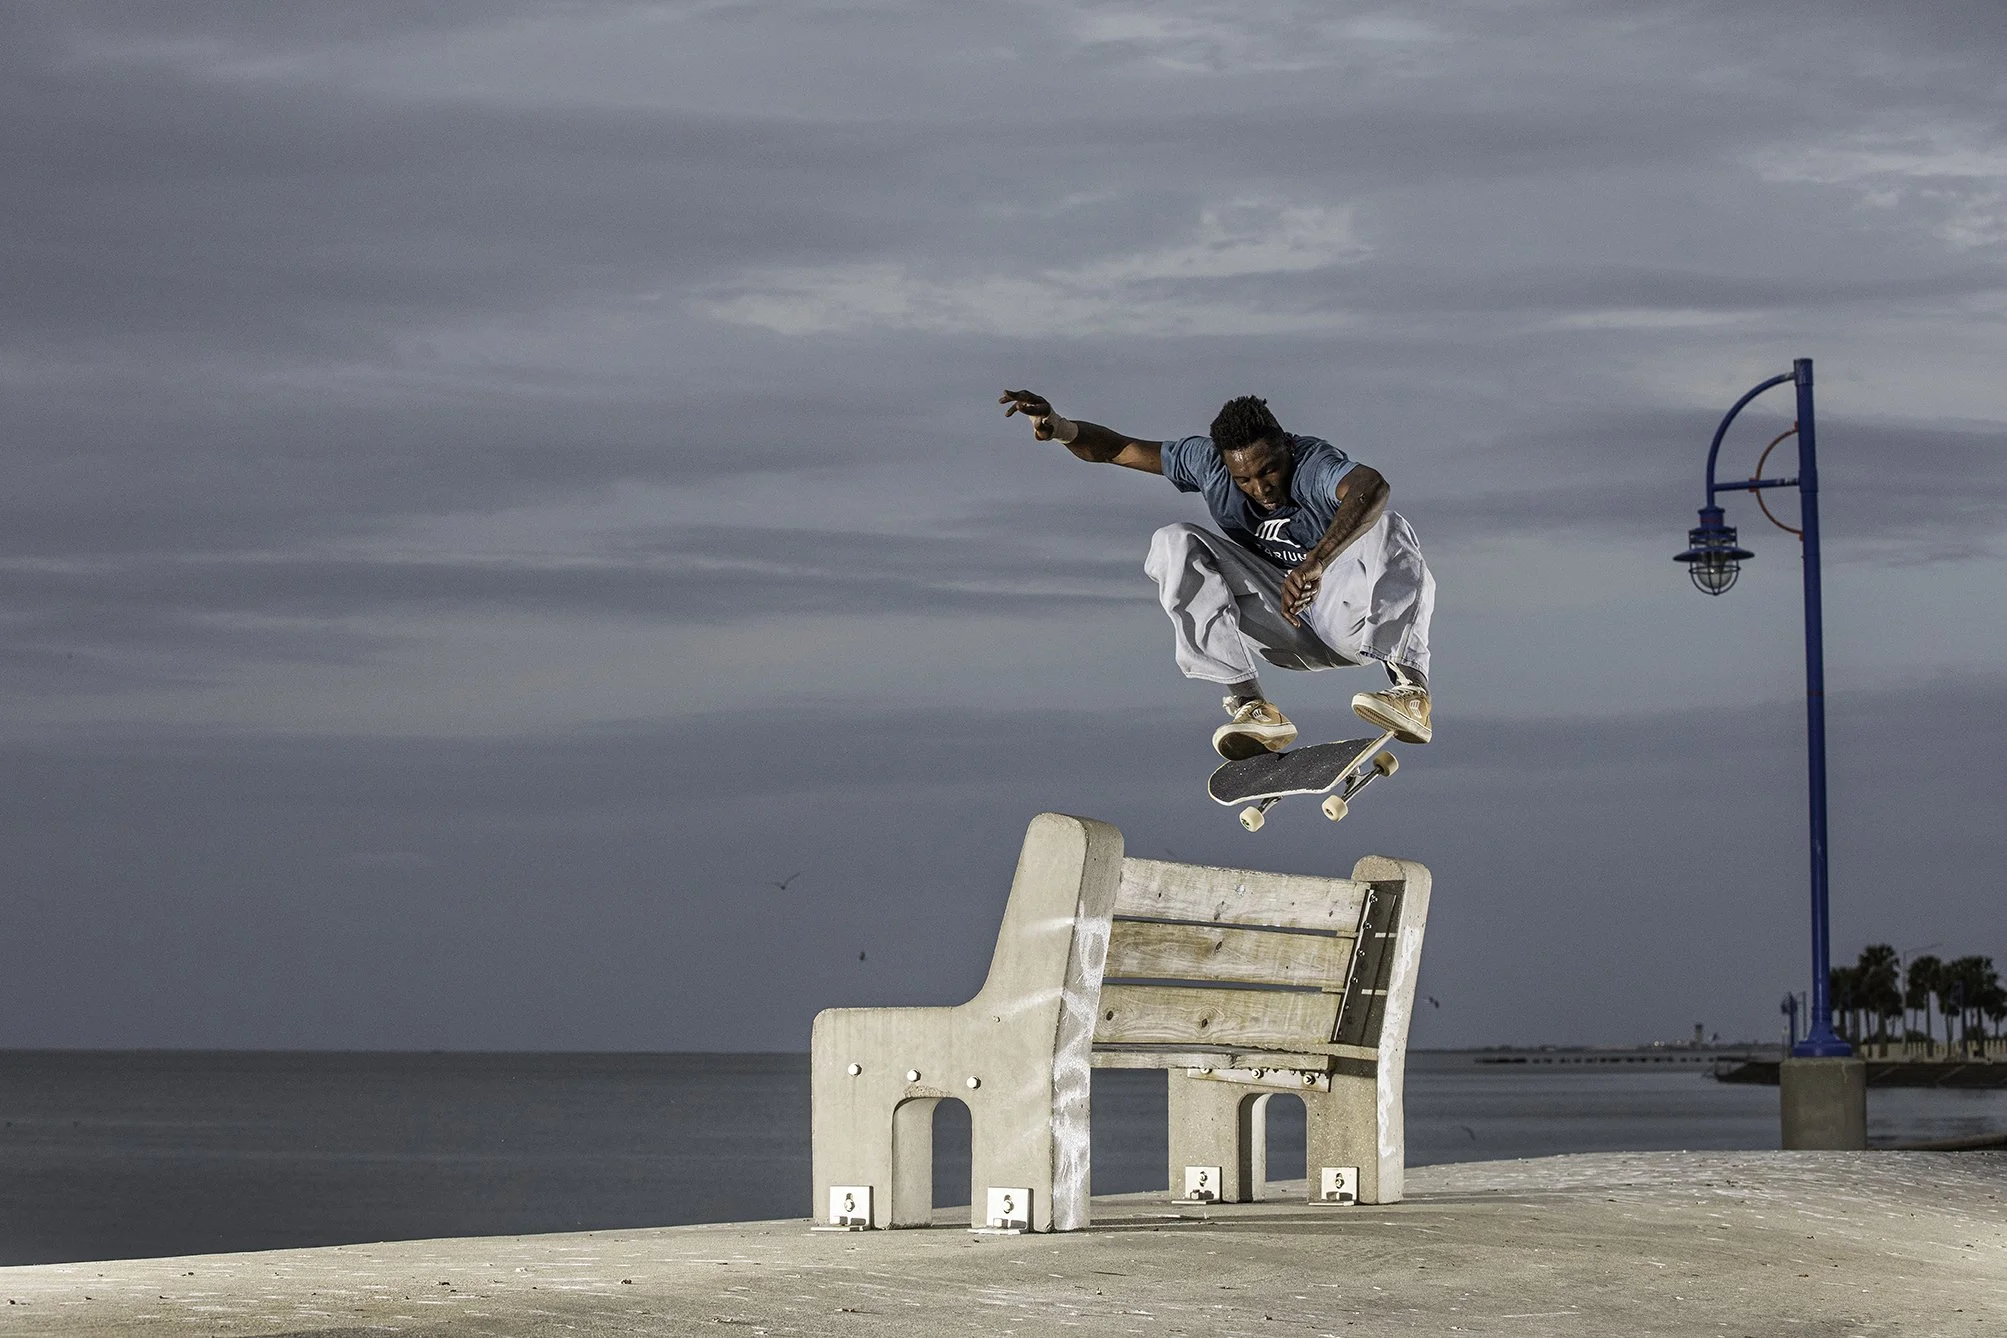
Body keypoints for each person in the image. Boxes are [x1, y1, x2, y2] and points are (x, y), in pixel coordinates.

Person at [1000, 389, 1435, 760]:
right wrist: (1060, 428)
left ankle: (1410, 690)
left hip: (1350, 623)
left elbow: (1370, 487)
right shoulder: (1205, 462)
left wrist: (1317, 560)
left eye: (1269, 471)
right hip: (1281, 627)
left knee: (1388, 525)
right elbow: (1118, 448)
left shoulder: (1313, 462)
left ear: (1286, 446)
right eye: (1244, 478)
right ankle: (1252, 706)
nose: (1261, 489)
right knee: (1173, 540)